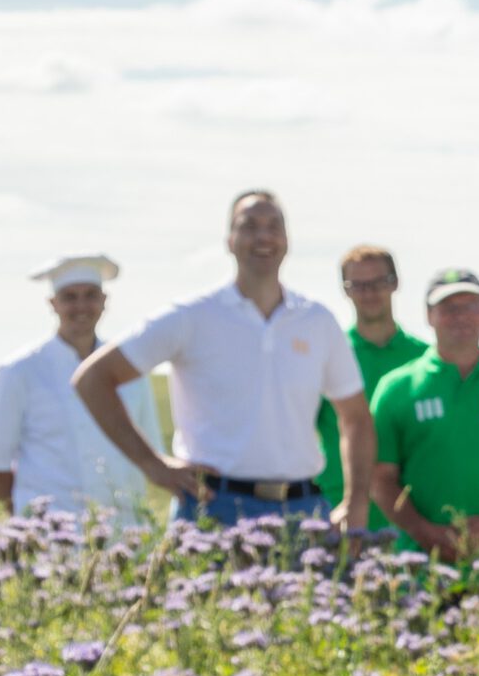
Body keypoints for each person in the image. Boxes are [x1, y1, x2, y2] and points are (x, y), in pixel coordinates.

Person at [75, 190, 373, 530]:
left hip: (302, 510)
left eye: (273, 226)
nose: (263, 236)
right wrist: (152, 464)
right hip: (214, 510)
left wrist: (356, 502)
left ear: (286, 239)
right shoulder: (191, 317)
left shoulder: (317, 321)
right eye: (249, 226)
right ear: (230, 240)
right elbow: (93, 379)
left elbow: (356, 419)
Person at [0, 255, 161, 522]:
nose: (81, 306)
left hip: (125, 531)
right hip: (52, 536)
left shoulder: (129, 369)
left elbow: (151, 451)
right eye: (69, 297)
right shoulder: (17, 372)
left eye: (90, 295)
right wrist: (29, 522)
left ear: (104, 301)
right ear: (53, 304)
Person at [369, 268, 479, 561]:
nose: (460, 316)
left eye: (470, 306)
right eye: (448, 308)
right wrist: (425, 532)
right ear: (429, 315)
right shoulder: (397, 387)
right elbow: (380, 477)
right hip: (421, 565)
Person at [317, 244, 429, 528]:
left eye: (379, 282)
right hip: (339, 509)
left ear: (395, 283)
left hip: (412, 515)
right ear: (346, 290)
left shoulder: (426, 359)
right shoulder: (329, 355)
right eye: (359, 285)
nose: (370, 293)